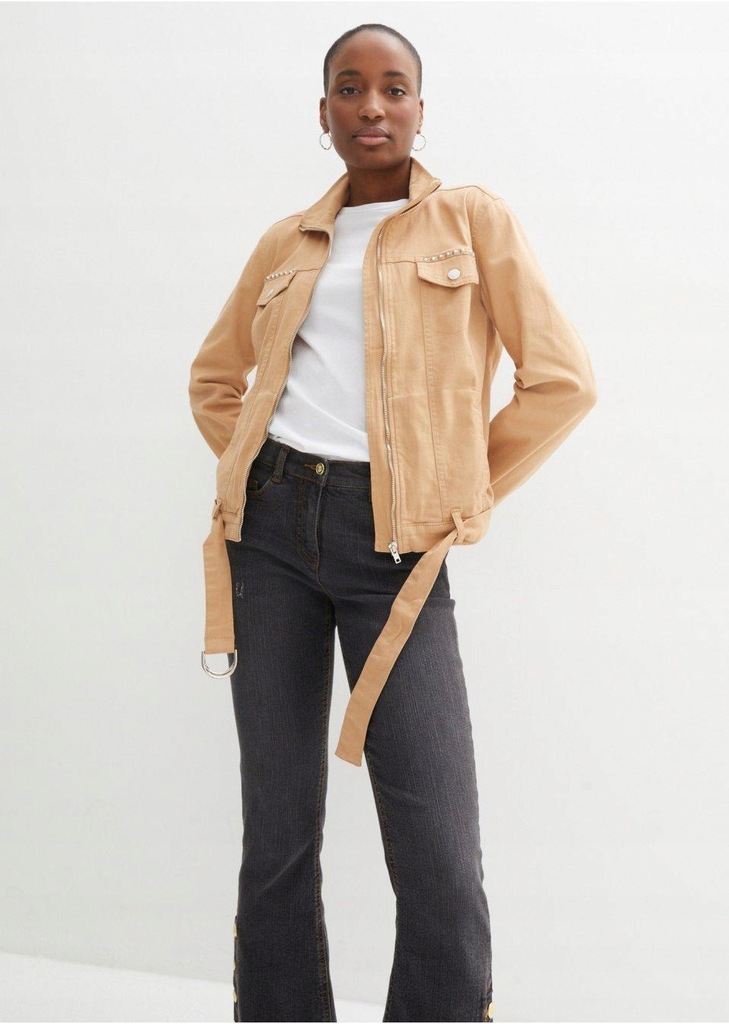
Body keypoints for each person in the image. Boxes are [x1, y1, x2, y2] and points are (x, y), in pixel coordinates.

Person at [188, 22, 597, 1024]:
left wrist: (459, 491)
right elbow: (215, 380)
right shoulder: (285, 242)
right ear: (323, 112)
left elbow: (562, 382)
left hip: (399, 545)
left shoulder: (470, 220)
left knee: (438, 847)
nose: (371, 106)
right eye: (349, 87)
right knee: (278, 829)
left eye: (393, 87)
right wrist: (253, 472)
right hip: (269, 537)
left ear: (420, 107)